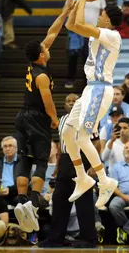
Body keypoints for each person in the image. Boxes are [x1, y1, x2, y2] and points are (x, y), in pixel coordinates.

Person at [14, 0, 75, 232]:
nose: (48, 46)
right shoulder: (41, 76)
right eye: (45, 48)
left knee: (23, 158)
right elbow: (48, 103)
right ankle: (33, 200)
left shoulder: (34, 63)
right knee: (40, 159)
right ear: (42, 55)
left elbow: (52, 32)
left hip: (22, 117)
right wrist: (53, 119)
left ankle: (20, 200)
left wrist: (66, 10)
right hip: (37, 118)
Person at [63, 0, 123, 209]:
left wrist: (85, 0)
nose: (98, 16)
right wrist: (73, 5)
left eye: (102, 14)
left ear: (108, 20)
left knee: (82, 137)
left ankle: (105, 180)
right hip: (90, 89)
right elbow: (72, 25)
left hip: (100, 89)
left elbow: (79, 24)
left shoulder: (111, 35)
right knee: (68, 132)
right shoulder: (99, 33)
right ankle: (82, 177)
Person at [38, 93, 97, 248]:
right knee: (59, 200)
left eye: (74, 101)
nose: (71, 103)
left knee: (84, 201)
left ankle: (89, 239)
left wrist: (93, 165)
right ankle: (56, 238)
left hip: (82, 159)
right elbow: (60, 145)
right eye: (68, 101)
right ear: (64, 105)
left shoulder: (88, 118)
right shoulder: (62, 120)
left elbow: (96, 143)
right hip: (65, 160)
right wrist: (57, 167)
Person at [0, 136, 21, 206]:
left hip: (17, 194)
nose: (8, 149)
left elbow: (26, 182)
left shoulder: (23, 163)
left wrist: (10, 190)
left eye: (10, 146)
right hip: (1, 194)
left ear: (16, 148)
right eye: (5, 146)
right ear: (2, 149)